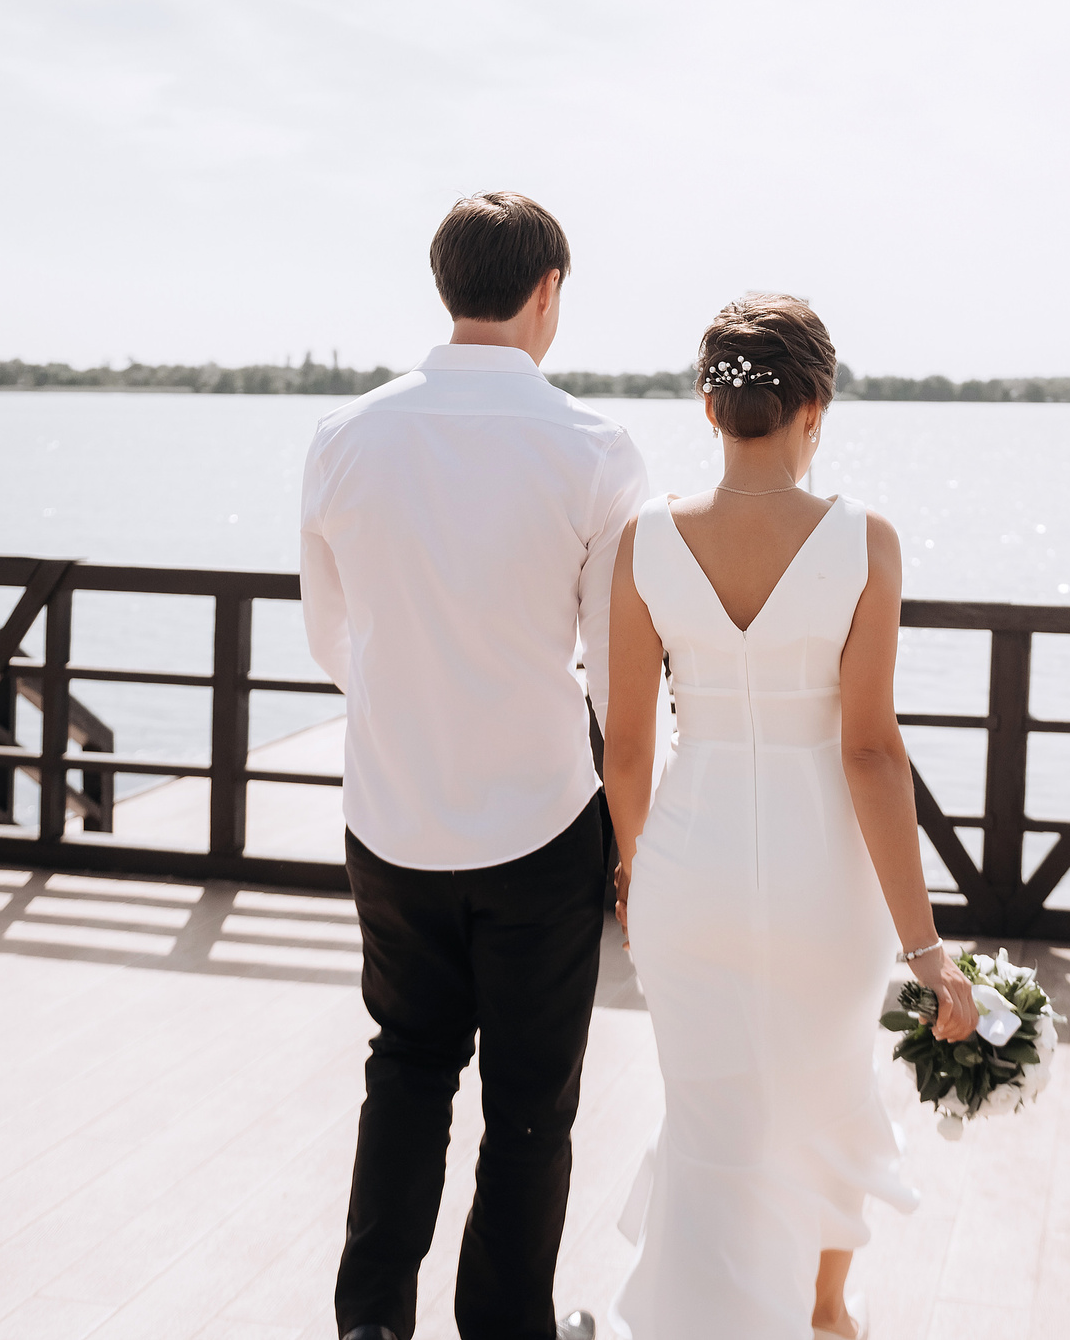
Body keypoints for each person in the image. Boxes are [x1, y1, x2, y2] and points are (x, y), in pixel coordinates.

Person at [600, 295, 980, 1340]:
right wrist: (925, 945)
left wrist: (636, 872)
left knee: (709, 1111)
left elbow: (626, 747)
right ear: (816, 403)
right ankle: (819, 1314)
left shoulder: (644, 538)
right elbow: (867, 749)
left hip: (688, 863)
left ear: (706, 405)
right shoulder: (866, 541)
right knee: (823, 1097)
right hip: (823, 880)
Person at [302, 193, 645, 1340]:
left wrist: (420, 700)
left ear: (446, 286)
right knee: (530, 1102)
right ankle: (505, 1328)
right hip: (542, 817)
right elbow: (610, 663)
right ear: (545, 289)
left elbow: (329, 641)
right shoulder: (594, 447)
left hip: (391, 809)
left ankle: (370, 1327)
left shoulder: (344, 435)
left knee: (404, 1068)